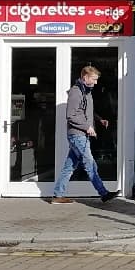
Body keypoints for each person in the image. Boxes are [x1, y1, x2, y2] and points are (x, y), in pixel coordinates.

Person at [51, 66, 118, 204]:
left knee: (69, 167)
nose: (96, 82)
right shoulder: (76, 92)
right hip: (77, 135)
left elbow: (85, 112)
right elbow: (70, 116)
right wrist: (87, 127)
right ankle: (103, 193)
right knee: (90, 164)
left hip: (80, 135)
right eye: (94, 79)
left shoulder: (86, 92)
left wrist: (99, 120)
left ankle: (58, 195)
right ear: (85, 77)